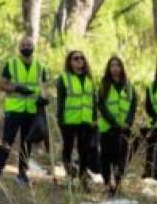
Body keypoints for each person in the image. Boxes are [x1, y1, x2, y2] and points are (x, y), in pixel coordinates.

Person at [0, 37, 49, 184]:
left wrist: (44, 98)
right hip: (14, 109)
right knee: (8, 139)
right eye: (23, 45)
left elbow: (43, 89)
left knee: (27, 143)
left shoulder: (40, 66)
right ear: (19, 48)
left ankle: (22, 173)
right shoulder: (11, 64)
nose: (26, 47)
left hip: (32, 111)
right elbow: (1, 85)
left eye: (29, 45)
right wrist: (16, 88)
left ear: (33, 47)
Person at [56, 50, 98, 189]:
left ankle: (82, 178)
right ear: (70, 61)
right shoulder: (63, 78)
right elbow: (61, 101)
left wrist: (94, 118)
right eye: (75, 58)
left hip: (86, 122)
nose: (79, 60)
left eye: (82, 58)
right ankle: (69, 176)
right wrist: (60, 119)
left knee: (84, 151)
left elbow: (93, 101)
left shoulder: (89, 79)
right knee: (67, 148)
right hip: (68, 121)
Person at [97, 56, 136, 196]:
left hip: (124, 129)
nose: (115, 68)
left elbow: (132, 106)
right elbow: (101, 105)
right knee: (106, 158)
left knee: (122, 158)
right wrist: (113, 122)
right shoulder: (104, 84)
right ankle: (107, 184)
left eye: (118, 65)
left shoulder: (129, 86)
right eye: (112, 65)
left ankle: (118, 185)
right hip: (108, 128)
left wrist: (128, 122)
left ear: (122, 68)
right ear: (109, 68)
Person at [144, 65, 157, 179]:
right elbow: (148, 107)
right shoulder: (151, 87)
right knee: (150, 149)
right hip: (153, 123)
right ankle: (147, 172)